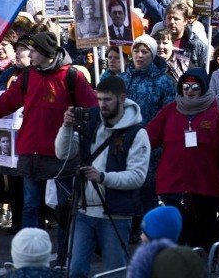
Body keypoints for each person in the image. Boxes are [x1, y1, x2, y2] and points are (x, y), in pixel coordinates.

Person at [0, 27, 98, 236]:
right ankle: (31, 251)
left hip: (61, 153)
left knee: (63, 206)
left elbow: (92, 111)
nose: (29, 55)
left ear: (46, 53)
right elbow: (6, 102)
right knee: (30, 205)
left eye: (33, 51)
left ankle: (65, 252)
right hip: (30, 151)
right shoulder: (28, 75)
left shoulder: (72, 76)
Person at [54, 75, 150, 278]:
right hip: (83, 211)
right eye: (99, 99)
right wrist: (66, 127)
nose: (101, 104)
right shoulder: (91, 120)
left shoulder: (137, 133)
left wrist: (103, 177)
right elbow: (63, 153)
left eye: (107, 100)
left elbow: (137, 177)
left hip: (116, 213)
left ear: (122, 98)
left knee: (114, 273)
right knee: (76, 271)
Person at [145, 69, 219, 249]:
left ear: (204, 88)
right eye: (186, 86)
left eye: (195, 87)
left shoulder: (218, 113)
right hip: (173, 182)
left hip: (205, 183)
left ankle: (206, 261)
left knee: (204, 228)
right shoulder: (170, 111)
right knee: (176, 230)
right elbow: (147, 137)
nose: (190, 91)